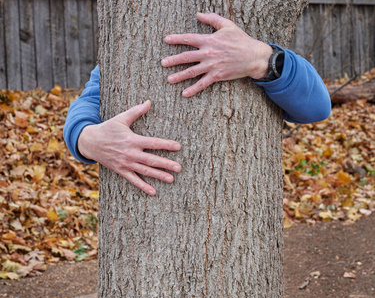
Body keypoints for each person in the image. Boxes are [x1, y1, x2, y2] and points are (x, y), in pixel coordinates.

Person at [63, 12, 331, 196]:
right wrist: (86, 139)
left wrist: (262, 58)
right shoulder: (124, 49)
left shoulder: (256, 41)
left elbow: (317, 107)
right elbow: (91, 98)